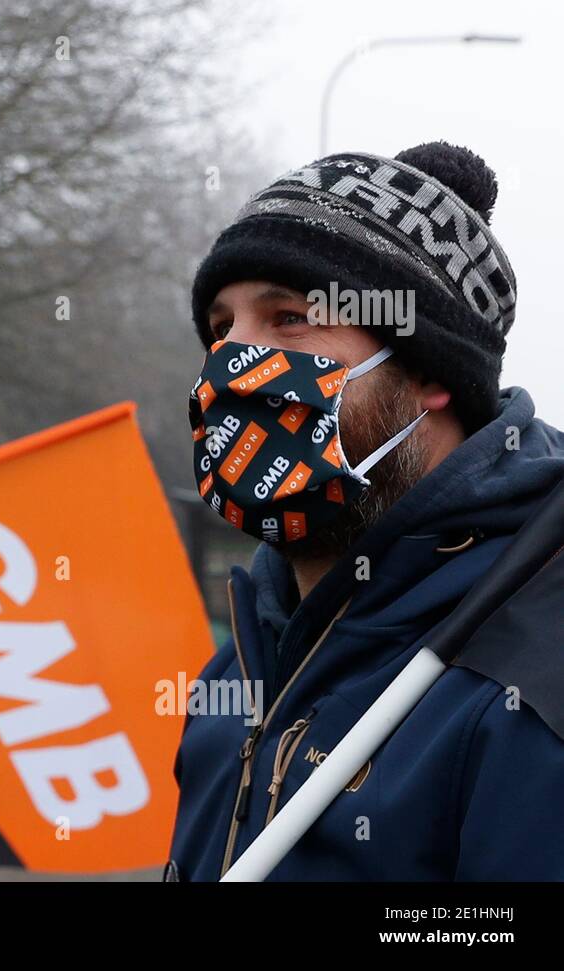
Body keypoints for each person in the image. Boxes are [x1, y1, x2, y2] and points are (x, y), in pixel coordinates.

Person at [168, 142, 564, 880]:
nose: (229, 362)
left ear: (427, 374)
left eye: (289, 317)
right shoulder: (247, 653)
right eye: (221, 328)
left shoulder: (530, 682)